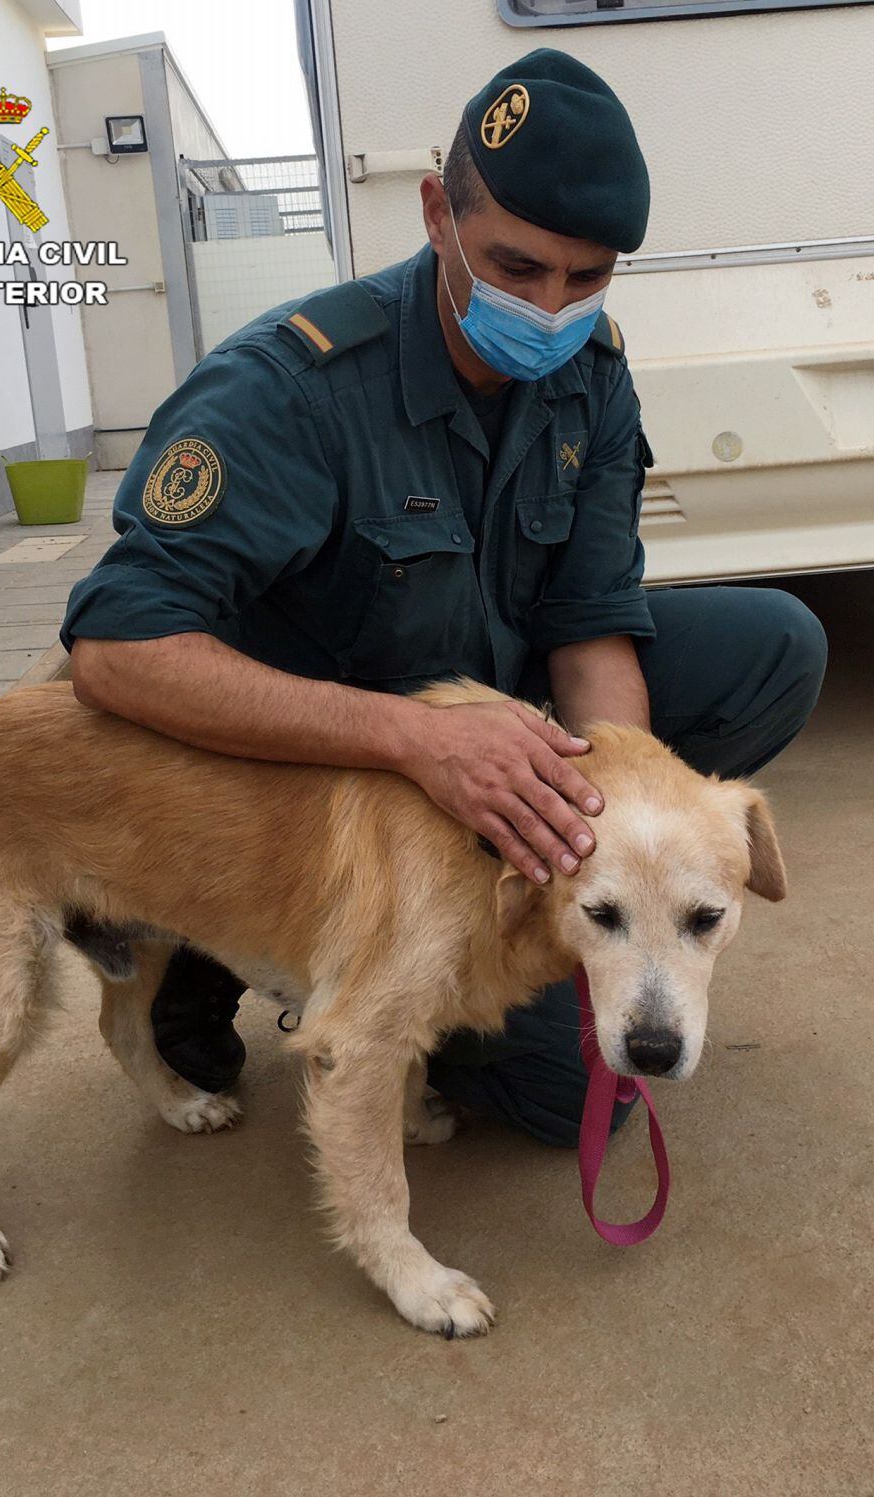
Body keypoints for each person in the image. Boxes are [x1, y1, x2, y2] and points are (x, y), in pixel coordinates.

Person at [60, 50, 826, 1146]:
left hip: (498, 710)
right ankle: (218, 950)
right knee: (574, 1107)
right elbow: (115, 650)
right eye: (517, 267)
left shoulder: (591, 372)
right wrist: (416, 741)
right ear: (437, 213)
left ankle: (486, 944)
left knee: (773, 645)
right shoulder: (293, 388)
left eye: (588, 276)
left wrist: (603, 837)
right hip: (317, 786)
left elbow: (591, 622)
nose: (551, 308)